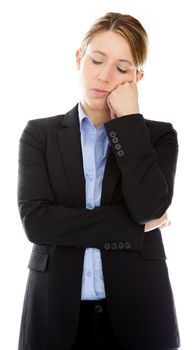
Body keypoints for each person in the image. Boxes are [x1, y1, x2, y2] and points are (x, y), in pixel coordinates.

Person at [17, 12, 180, 350]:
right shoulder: (39, 134)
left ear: (137, 77)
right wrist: (135, 227)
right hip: (55, 314)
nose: (104, 76)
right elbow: (37, 223)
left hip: (141, 314)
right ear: (79, 57)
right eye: (96, 60)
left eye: (122, 69)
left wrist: (130, 121)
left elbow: (149, 206)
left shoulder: (159, 136)